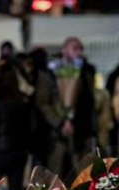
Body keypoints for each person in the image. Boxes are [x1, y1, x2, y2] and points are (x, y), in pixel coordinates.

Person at [47, 37, 97, 176]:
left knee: (83, 173)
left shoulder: (86, 70)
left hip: (83, 129)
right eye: (75, 48)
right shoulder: (52, 71)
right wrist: (61, 121)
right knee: (58, 173)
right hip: (58, 134)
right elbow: (45, 102)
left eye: (81, 48)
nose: (79, 52)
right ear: (64, 50)